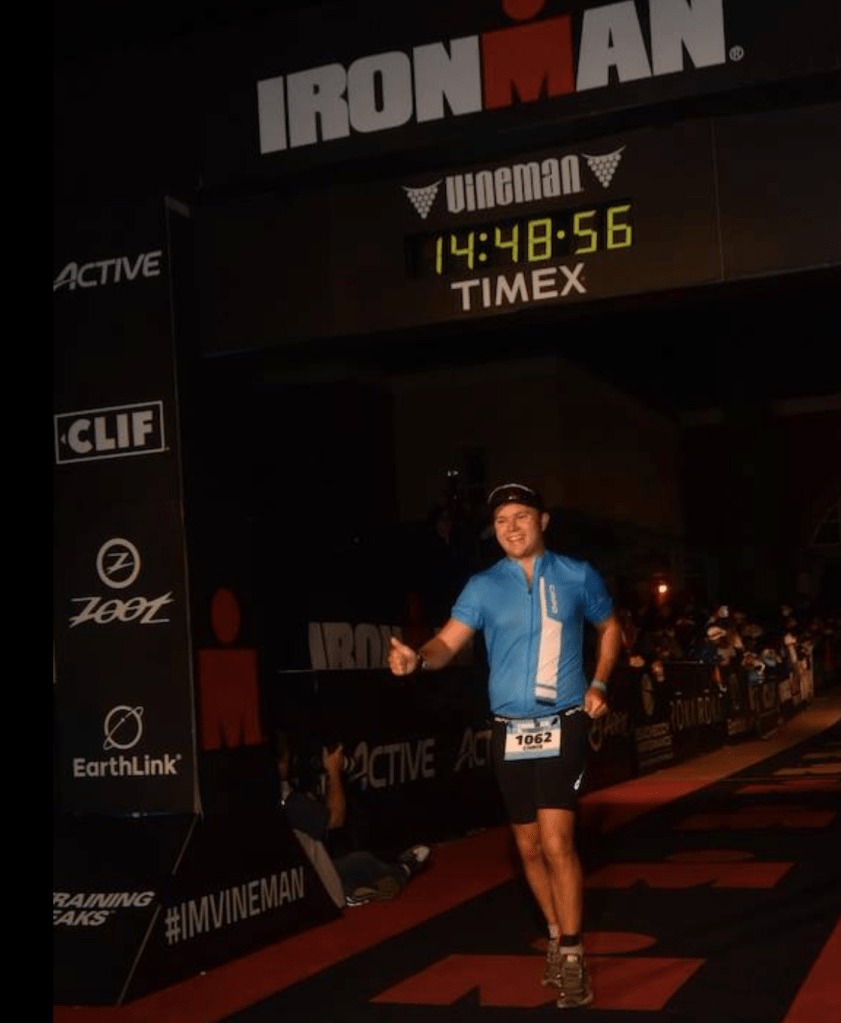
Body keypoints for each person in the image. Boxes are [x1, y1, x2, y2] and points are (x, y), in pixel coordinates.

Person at [388, 482, 621, 1009]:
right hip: (509, 730)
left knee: (557, 842)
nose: (511, 528)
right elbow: (446, 643)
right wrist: (417, 659)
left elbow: (610, 628)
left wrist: (600, 683)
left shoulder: (577, 574)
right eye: (500, 521)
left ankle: (573, 953)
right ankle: (557, 932)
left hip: (564, 722)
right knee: (528, 847)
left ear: (544, 520)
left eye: (521, 516)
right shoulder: (483, 585)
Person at [275, 730, 431, 907]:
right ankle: (404, 869)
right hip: (302, 886)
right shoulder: (286, 798)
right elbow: (335, 820)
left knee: (361, 861)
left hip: (292, 878)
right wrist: (334, 770)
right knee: (355, 871)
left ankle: (393, 871)